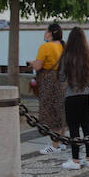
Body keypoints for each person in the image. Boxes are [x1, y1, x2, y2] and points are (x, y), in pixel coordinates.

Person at [57, 27, 89, 169]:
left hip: (72, 96)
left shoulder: (66, 56)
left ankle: (75, 160)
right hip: (87, 96)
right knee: (88, 127)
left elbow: (61, 77)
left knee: (74, 128)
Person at [28, 22, 67, 155]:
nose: (45, 33)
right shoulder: (64, 46)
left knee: (51, 113)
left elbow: (38, 66)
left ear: (50, 33)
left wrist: (31, 63)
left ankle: (54, 146)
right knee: (61, 111)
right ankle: (61, 141)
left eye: (46, 31)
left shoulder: (45, 47)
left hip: (49, 82)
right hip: (62, 81)